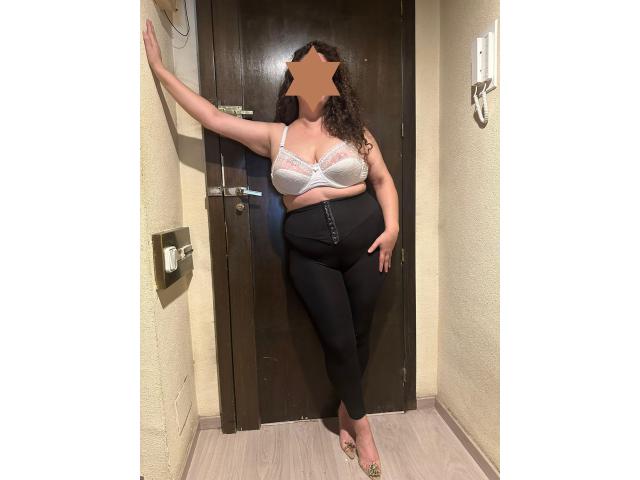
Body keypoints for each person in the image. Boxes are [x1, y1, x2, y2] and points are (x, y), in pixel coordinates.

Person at [143, 18, 399, 479]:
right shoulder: (274, 135)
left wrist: (393, 228)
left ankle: (347, 409)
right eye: (308, 67)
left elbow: (382, 180)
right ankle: (362, 428)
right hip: (311, 257)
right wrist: (161, 71)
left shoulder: (355, 133)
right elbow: (213, 118)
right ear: (294, 77)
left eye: (325, 68)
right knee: (338, 338)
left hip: (367, 244)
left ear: (336, 80)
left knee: (360, 333)